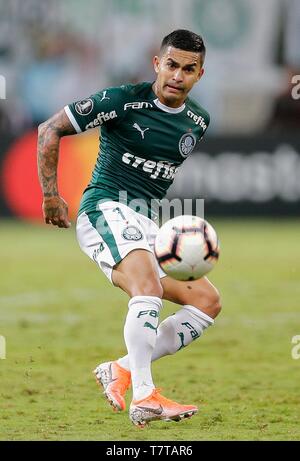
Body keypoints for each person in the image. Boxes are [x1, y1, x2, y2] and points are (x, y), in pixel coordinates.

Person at [37, 29, 222, 428]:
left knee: (207, 302)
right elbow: (49, 129)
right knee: (148, 289)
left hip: (143, 220)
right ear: (157, 64)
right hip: (103, 208)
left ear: (199, 75)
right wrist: (51, 195)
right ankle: (145, 396)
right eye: (171, 65)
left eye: (188, 69)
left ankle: (119, 370)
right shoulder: (121, 100)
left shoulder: (198, 121)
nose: (177, 75)